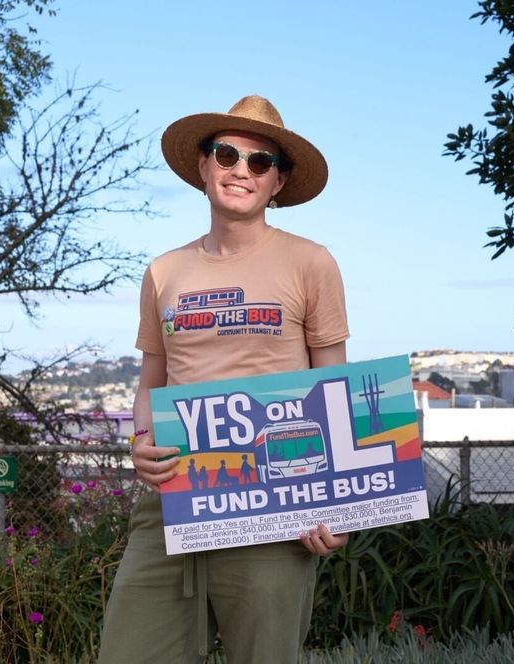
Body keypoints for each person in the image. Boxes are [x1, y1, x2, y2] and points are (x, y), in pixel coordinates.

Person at [97, 95, 349, 664]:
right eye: (227, 153)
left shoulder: (312, 263)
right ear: (204, 165)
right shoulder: (164, 271)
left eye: (260, 162)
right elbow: (151, 380)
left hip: (275, 507)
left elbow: (333, 387)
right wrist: (140, 442)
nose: (241, 169)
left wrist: (336, 505)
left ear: (278, 182)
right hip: (172, 503)